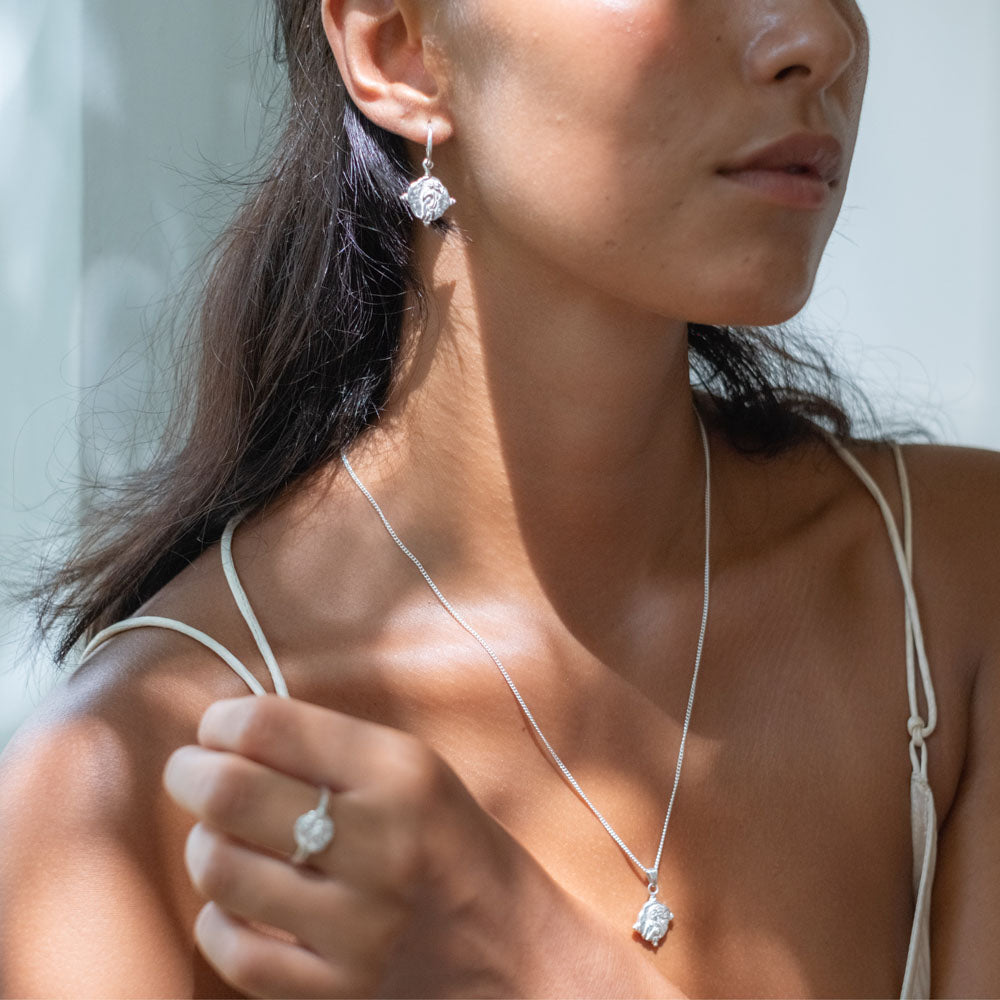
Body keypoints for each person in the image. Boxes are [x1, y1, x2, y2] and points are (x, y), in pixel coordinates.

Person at [1, 0, 997, 996]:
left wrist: (526, 956)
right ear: (399, 52)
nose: (817, 38)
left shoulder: (958, 598)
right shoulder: (124, 796)